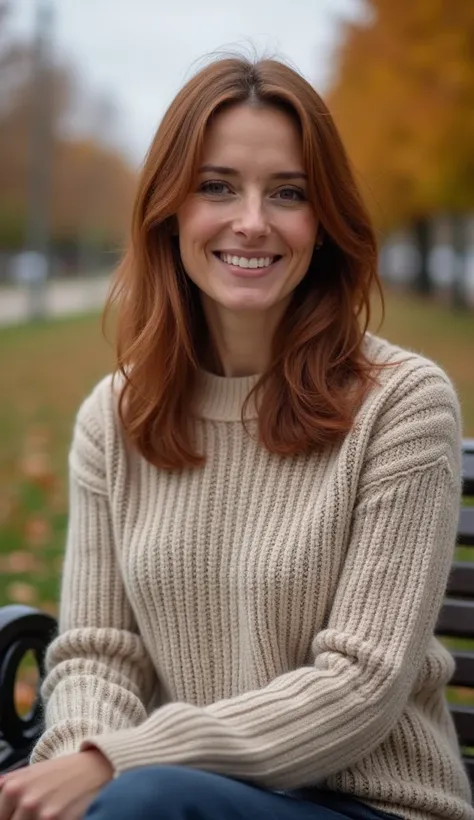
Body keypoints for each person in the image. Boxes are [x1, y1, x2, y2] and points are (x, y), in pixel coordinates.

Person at [0, 54, 471, 820]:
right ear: (170, 212)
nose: (252, 221)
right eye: (217, 187)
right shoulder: (114, 419)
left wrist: (118, 761)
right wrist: (81, 761)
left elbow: (358, 687)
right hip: (168, 799)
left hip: (364, 805)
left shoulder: (403, 406)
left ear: (323, 227)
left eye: (288, 193)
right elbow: (96, 654)